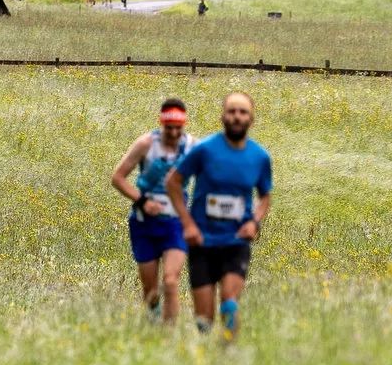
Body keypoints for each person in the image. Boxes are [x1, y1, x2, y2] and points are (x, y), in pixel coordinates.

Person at [165, 92, 273, 340]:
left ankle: (229, 354)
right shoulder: (204, 150)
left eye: (242, 112)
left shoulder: (260, 157)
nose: (237, 117)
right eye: (232, 111)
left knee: (229, 303)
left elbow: (265, 196)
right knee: (204, 320)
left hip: (236, 241)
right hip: (202, 241)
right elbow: (173, 182)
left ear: (252, 119)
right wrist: (187, 224)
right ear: (223, 116)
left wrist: (254, 222)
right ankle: (206, 362)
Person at [110, 99, 195, 324]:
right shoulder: (146, 144)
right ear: (161, 124)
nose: (175, 133)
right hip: (144, 223)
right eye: (170, 128)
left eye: (179, 128)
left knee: (170, 280)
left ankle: (169, 335)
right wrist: (143, 202)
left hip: (176, 224)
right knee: (151, 291)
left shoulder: (192, 147)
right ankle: (154, 319)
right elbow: (118, 178)